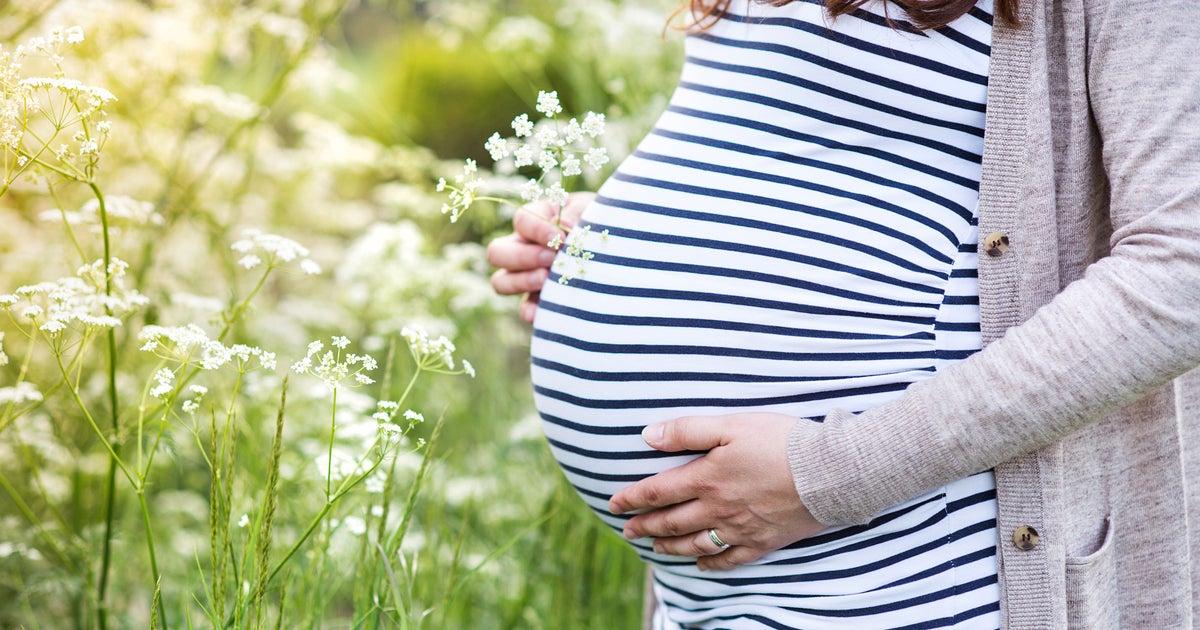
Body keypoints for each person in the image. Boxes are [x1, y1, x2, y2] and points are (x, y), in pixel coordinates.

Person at [487, 0, 1200, 627]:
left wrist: (829, 474)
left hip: (918, 574)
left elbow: (1181, 273)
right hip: (708, 592)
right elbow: (796, 137)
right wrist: (613, 245)